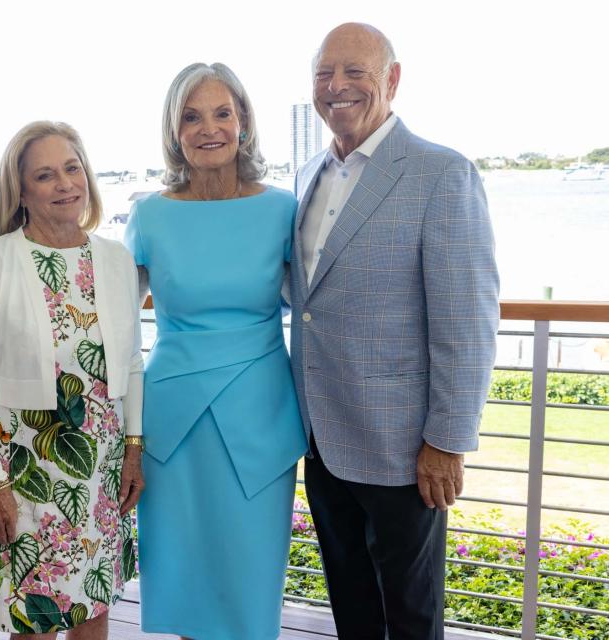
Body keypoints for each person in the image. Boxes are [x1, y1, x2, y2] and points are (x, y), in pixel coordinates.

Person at [286, 23, 500, 640]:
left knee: (410, 615)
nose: (337, 86)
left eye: (355, 72)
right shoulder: (307, 177)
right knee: (350, 608)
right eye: (325, 74)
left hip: (406, 450)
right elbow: (307, 299)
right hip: (322, 440)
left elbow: (467, 320)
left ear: (392, 80)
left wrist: (448, 440)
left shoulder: (441, 174)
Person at [124, 63, 308, 640]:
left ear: (244, 123)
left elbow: (318, 307)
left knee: (250, 589)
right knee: (186, 583)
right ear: (174, 130)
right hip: (173, 425)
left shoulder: (284, 210)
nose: (209, 128)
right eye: (191, 115)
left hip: (258, 417)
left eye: (222, 113)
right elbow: (115, 326)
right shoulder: (149, 213)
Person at [0, 121, 144, 639]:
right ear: (21, 190)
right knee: (33, 620)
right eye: (45, 175)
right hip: (23, 472)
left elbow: (130, 365)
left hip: (100, 469)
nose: (65, 184)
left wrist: (133, 450)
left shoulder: (116, 259)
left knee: (93, 608)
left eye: (72, 168)